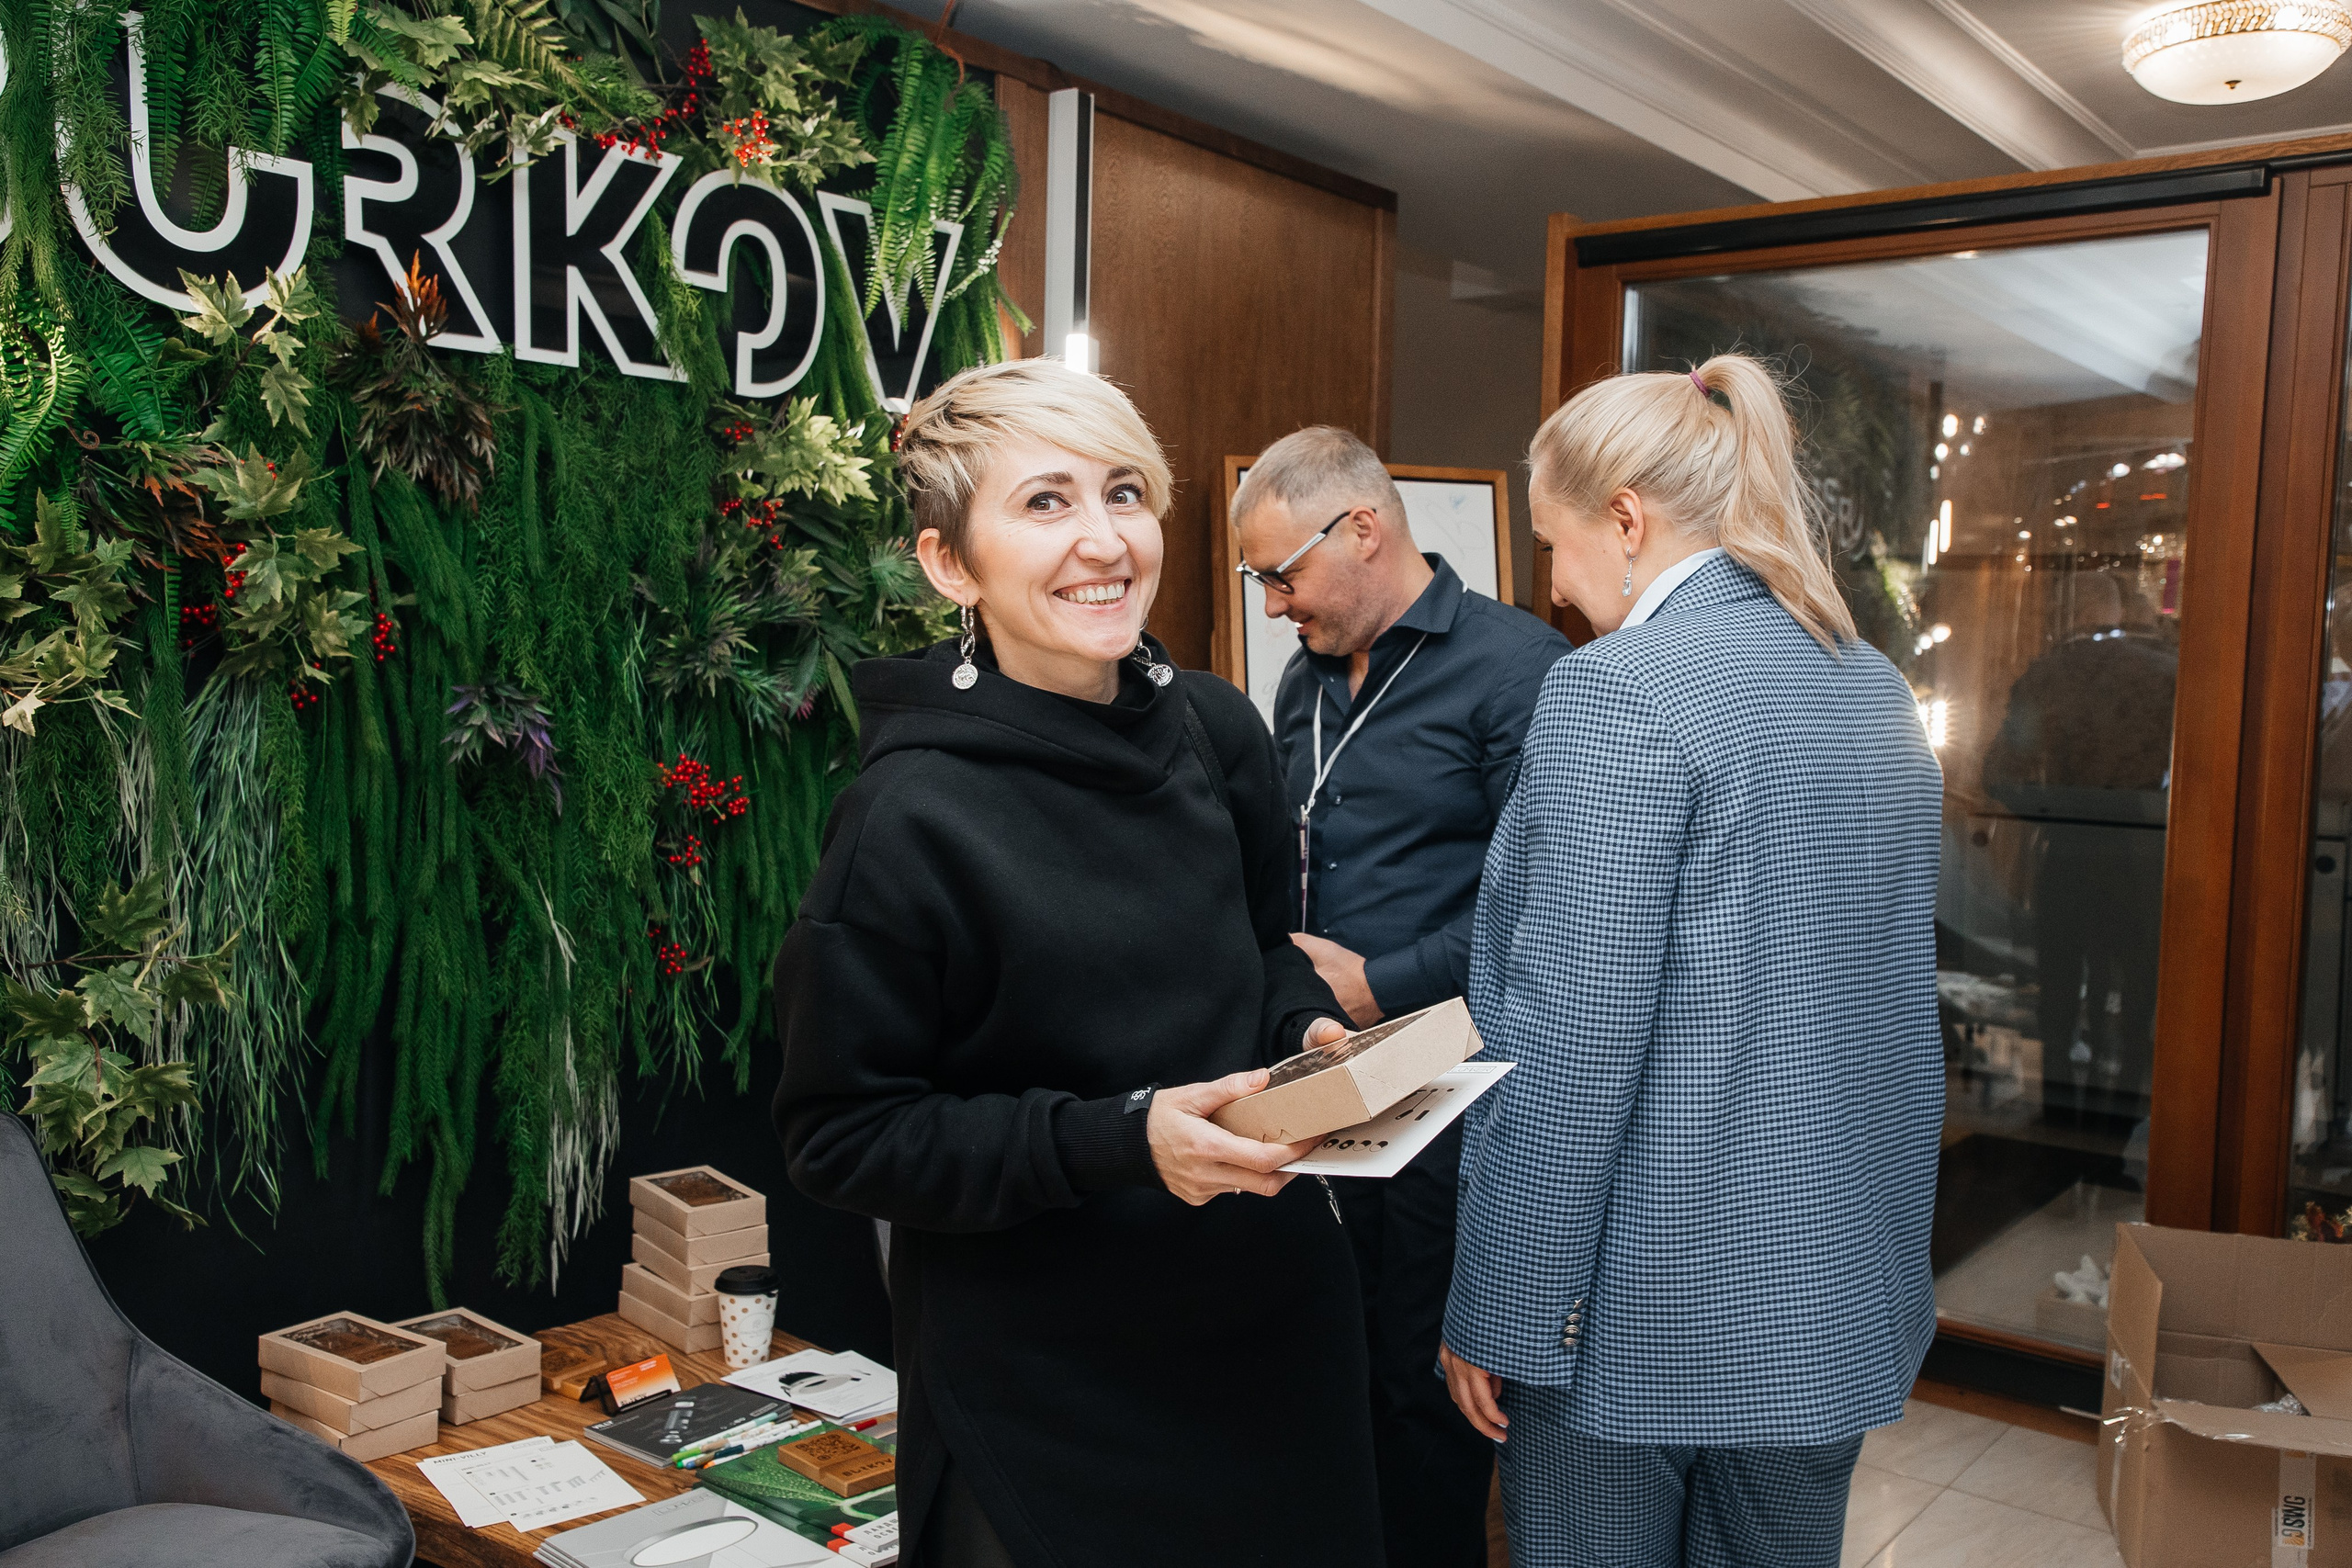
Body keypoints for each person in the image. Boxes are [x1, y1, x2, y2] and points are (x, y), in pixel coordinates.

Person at [771, 358, 1383, 1568]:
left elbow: (1260, 948)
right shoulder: (908, 817)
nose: (1102, 537)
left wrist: (1306, 1029)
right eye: (1045, 502)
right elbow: (842, 1132)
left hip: (1273, 1342)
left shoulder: (1217, 729)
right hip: (1053, 1399)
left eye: (1123, 491)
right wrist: (1123, 1137)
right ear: (952, 562)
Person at [1439, 355, 1944, 1568]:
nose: (1554, 591)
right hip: (1833, 1281)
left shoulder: (1620, 692)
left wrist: (1499, 1306)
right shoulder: (1871, 683)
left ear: (1627, 518)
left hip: (1636, 1307)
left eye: (1555, 545)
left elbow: (1573, 1038)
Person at [1234, 425, 1568, 1568]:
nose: (1274, 604)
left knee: (1424, 1403)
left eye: (1282, 573)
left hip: (1451, 1095)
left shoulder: (1519, 669)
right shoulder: (1301, 676)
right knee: (1325, 1381)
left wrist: (1380, 982)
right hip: (1322, 1084)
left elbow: (1553, 909)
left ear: (1363, 528)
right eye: (1259, 582)